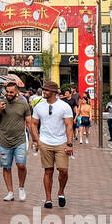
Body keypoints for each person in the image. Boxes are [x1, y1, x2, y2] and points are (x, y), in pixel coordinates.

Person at [29, 80, 75, 210]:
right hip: (45, 142)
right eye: (44, 89)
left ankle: (61, 192)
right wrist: (36, 140)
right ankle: (48, 198)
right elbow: (33, 123)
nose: (44, 91)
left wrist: (70, 143)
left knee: (63, 170)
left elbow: (69, 125)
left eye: (47, 90)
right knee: (48, 171)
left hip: (61, 142)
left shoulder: (64, 106)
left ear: (54, 92)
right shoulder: (39, 106)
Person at [0, 82, 32, 202]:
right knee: (6, 167)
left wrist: (34, 139)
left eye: (11, 92)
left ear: (17, 92)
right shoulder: (0, 103)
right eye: (7, 91)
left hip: (20, 139)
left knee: (21, 164)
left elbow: (29, 122)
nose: (9, 94)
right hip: (5, 140)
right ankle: (10, 192)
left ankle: (21, 187)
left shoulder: (23, 104)